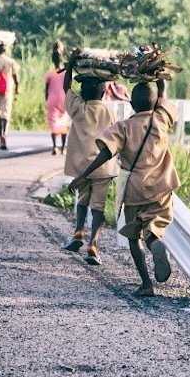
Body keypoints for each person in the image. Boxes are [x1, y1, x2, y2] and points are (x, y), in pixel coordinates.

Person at [69, 78, 179, 296]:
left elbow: (105, 154)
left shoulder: (124, 127)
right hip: (161, 186)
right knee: (154, 226)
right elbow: (164, 97)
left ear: (131, 103)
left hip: (135, 189)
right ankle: (155, 242)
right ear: (155, 102)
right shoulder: (161, 119)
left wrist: (82, 176)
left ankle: (147, 285)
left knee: (133, 236)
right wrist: (159, 80)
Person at [61, 64, 118, 265]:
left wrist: (70, 65)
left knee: (82, 200)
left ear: (82, 91)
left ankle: (78, 232)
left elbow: (66, 87)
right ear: (103, 91)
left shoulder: (78, 108)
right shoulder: (109, 111)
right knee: (98, 207)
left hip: (81, 167)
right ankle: (93, 243)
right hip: (103, 167)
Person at [0, 41, 20, 150]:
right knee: (5, 114)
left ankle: (0, 135)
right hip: (7, 90)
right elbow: (15, 76)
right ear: (5, 50)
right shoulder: (10, 62)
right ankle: (4, 135)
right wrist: (17, 87)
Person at [44, 42, 71, 155]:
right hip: (64, 99)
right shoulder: (65, 73)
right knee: (64, 122)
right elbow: (68, 86)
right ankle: (63, 148)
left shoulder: (49, 74)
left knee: (53, 122)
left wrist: (46, 99)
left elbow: (46, 89)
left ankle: (55, 146)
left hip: (52, 100)